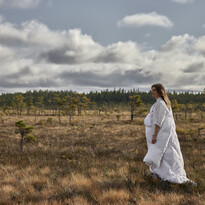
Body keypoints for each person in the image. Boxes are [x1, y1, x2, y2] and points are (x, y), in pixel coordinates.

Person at [143, 83, 197, 186]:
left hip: (162, 136)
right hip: (166, 136)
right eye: (152, 90)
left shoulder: (160, 104)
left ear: (160, 91)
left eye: (154, 90)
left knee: (165, 155)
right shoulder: (163, 103)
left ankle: (167, 175)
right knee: (168, 154)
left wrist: (154, 136)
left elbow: (158, 122)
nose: (152, 92)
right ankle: (165, 174)